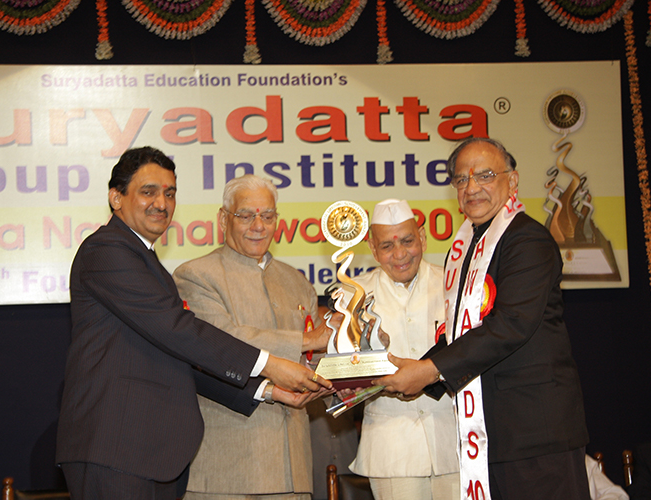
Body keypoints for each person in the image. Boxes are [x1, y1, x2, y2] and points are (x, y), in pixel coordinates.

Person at [55, 148, 331, 500]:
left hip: (149, 454)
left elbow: (179, 356)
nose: (161, 203)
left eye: (169, 193)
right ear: (116, 198)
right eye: (148, 191)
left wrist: (266, 391)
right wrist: (269, 364)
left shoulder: (148, 263)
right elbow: (178, 330)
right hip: (116, 448)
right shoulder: (106, 250)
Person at [374, 137, 590, 500]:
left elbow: (511, 324)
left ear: (513, 180)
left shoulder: (527, 240)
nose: (471, 187)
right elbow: (463, 331)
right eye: (461, 179)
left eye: (485, 175)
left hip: (535, 433)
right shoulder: (465, 250)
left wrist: (429, 371)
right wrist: (419, 370)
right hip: (491, 435)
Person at [173, 174, 343, 500]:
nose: (258, 226)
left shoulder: (297, 283)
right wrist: (307, 340)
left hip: (294, 468)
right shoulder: (195, 276)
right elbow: (221, 339)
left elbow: (314, 361)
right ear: (223, 219)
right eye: (246, 215)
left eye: (267, 216)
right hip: (229, 469)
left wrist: (350, 365)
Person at [342, 199, 459, 500]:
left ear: (423, 238)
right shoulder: (353, 296)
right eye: (387, 246)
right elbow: (343, 369)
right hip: (391, 449)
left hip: (455, 442)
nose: (400, 254)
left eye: (408, 241)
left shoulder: (454, 284)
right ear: (372, 248)